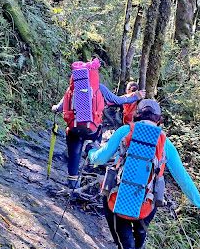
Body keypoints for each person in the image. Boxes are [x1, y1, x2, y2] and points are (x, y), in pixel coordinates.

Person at [88, 99, 200, 249]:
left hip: (117, 201)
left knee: (124, 243)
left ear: (138, 114)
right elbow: (183, 178)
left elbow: (101, 158)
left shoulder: (125, 130)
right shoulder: (165, 143)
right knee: (140, 229)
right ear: (158, 118)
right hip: (145, 206)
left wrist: (91, 152)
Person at [52, 60, 145, 189]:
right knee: (97, 134)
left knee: (75, 147)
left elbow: (59, 106)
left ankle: (72, 182)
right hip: (92, 130)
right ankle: (91, 161)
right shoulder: (99, 88)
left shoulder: (73, 88)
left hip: (74, 127)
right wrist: (135, 97)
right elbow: (117, 100)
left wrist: (55, 108)